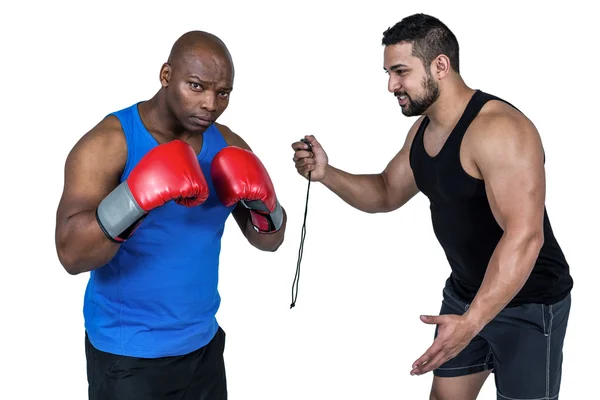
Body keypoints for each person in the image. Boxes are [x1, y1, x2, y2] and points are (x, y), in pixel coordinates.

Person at [291, 13, 573, 400]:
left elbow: (525, 236)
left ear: (440, 65)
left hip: (529, 303)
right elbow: (387, 191)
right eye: (389, 73)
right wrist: (327, 174)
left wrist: (473, 322)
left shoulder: (501, 131)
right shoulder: (424, 129)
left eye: (401, 71)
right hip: (464, 295)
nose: (392, 85)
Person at [55, 30, 286, 400]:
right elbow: (71, 255)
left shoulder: (228, 145)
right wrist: (136, 197)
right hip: (127, 356)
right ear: (166, 76)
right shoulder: (110, 143)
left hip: (203, 346)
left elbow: (270, 240)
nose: (210, 104)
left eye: (223, 93)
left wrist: (266, 205)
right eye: (196, 86)